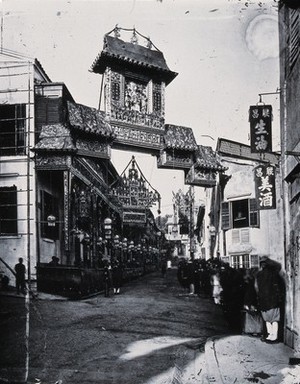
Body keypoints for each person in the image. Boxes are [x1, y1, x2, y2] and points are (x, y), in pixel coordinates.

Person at [256, 256, 284, 343]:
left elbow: (257, 288)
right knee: (274, 319)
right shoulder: (274, 274)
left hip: (263, 300)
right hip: (272, 299)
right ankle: (274, 336)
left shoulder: (259, 275)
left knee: (267, 319)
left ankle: (270, 335)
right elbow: (279, 286)